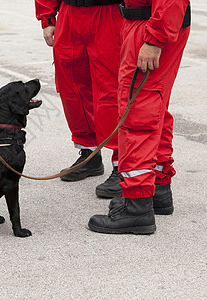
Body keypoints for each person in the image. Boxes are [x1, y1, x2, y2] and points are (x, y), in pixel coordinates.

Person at [88, 0, 191, 234]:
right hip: (148, 22)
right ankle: (157, 188)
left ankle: (137, 207)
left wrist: (155, 39)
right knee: (154, 108)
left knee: (138, 113)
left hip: (150, 26)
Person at [35, 0, 124, 199]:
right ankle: (89, 155)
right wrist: (47, 17)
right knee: (72, 89)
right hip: (70, 14)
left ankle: (123, 166)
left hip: (110, 13)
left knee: (111, 91)